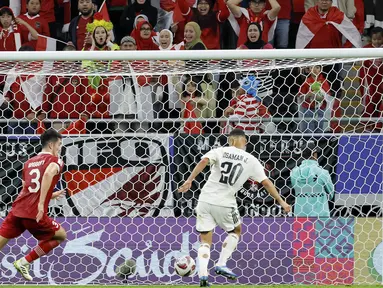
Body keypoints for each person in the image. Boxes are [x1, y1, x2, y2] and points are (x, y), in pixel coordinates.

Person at [178, 128, 291, 287]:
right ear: (244, 141)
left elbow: (203, 161)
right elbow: (266, 183)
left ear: (230, 140)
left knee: (205, 239)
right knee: (236, 231)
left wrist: (190, 180)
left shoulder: (219, 151)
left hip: (204, 199)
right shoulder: (250, 159)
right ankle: (221, 263)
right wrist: (281, 201)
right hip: (225, 202)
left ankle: (203, 275)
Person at [0, 129, 67, 281]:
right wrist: (42, 204)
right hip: (34, 213)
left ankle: (23, 262)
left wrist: (51, 194)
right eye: (59, 145)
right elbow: (49, 174)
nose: (60, 148)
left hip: (17, 210)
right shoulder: (56, 161)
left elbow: (28, 187)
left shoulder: (28, 163)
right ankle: (24, 261)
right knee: (61, 235)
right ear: (51, 145)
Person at [290, 142, 334, 217]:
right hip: (320, 216)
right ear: (314, 154)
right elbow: (331, 194)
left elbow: (295, 189)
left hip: (300, 215)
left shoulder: (294, 172)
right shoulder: (322, 172)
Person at [297, 65, 332, 133]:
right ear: (309, 70)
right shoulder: (306, 81)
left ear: (321, 69)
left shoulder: (324, 81)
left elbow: (328, 96)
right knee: (309, 130)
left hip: (320, 109)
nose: (315, 69)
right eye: (312, 67)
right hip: (308, 109)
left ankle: (318, 143)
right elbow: (300, 97)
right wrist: (309, 94)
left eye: (317, 67)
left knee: (319, 130)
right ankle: (310, 142)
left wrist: (320, 95)